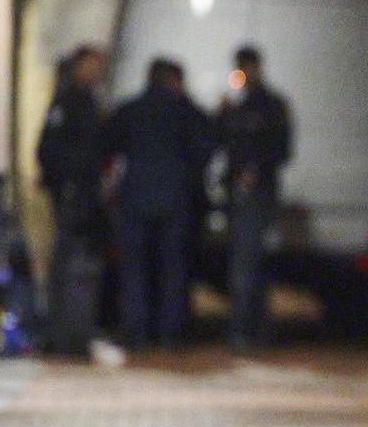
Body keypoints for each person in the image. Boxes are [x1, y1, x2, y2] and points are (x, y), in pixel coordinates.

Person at [104, 59, 215, 348]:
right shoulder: (184, 112)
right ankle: (170, 333)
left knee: (135, 269)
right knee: (173, 270)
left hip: (136, 200)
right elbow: (207, 145)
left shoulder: (130, 110)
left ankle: (137, 332)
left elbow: (107, 144)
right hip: (175, 202)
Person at [216, 45, 293, 347]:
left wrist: (255, 172)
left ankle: (245, 330)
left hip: (257, 194)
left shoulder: (271, 106)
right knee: (249, 263)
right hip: (242, 193)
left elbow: (280, 150)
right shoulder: (238, 106)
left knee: (247, 265)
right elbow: (222, 142)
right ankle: (251, 329)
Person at [37, 45, 108, 355]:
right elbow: (47, 148)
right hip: (71, 196)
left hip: (86, 197)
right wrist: (66, 183)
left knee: (81, 266)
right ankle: (63, 335)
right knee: (68, 265)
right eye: (91, 65)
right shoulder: (67, 101)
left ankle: (76, 333)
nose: (96, 71)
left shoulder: (90, 101)